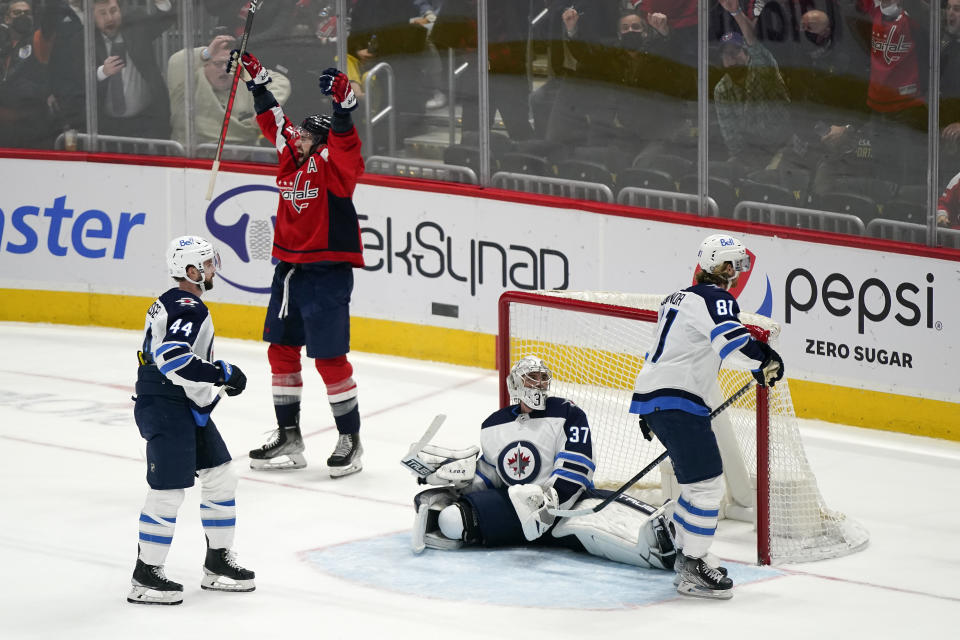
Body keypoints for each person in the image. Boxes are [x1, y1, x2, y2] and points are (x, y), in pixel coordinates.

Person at [408, 356, 677, 573]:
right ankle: (437, 520)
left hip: (563, 506)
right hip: (516, 508)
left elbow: (577, 466)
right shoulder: (494, 424)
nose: (537, 384)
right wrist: (454, 480)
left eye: (541, 378)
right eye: (530, 378)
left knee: (606, 526)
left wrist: (550, 502)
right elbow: (492, 475)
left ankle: (665, 544)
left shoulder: (567, 413)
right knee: (451, 519)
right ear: (515, 383)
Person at [232, 51, 366, 476]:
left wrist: (343, 109)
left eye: (306, 135)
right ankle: (288, 434)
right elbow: (274, 120)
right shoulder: (292, 156)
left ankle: (350, 439)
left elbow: (346, 146)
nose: (297, 137)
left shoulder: (335, 168)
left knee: (328, 357)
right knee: (281, 351)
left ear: (320, 142)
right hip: (289, 269)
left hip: (327, 270)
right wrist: (257, 81)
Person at [629, 233, 784, 600]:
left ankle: (673, 536)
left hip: (656, 396)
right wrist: (764, 359)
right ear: (725, 267)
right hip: (677, 399)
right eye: (737, 265)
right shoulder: (716, 297)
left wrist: (653, 408)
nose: (739, 273)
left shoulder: (675, 298)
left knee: (701, 483)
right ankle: (691, 564)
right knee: (707, 486)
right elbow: (730, 345)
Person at [129, 235, 254, 605]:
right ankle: (146, 576)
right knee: (167, 491)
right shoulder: (188, 305)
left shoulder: (178, 302)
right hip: (167, 401)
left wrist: (214, 377)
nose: (213, 269)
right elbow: (172, 358)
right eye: (208, 264)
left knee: (220, 477)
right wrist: (222, 373)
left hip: (178, 401)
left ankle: (217, 563)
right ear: (190, 270)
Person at [50, 0, 175, 139]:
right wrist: (102, 73)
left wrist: (161, 2)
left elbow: (165, 19)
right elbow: (75, 80)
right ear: (92, 17)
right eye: (102, 13)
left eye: (113, 11)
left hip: (146, 120)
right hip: (106, 125)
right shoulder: (82, 40)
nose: (110, 18)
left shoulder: (136, 27)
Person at [166, 34, 291, 148]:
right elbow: (176, 62)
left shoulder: (245, 78)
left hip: (243, 153)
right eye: (218, 63)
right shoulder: (186, 81)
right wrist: (205, 53)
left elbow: (280, 81)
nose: (225, 69)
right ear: (205, 64)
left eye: (229, 63)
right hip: (193, 154)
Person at [713, 0, 791, 172]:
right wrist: (743, 160)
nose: (731, 59)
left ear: (747, 54)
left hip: (783, 147)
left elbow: (754, 44)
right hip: (750, 153)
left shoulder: (762, 69)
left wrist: (736, 13)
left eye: (735, 52)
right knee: (723, 173)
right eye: (726, 55)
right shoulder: (721, 89)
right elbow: (731, 135)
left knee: (767, 176)